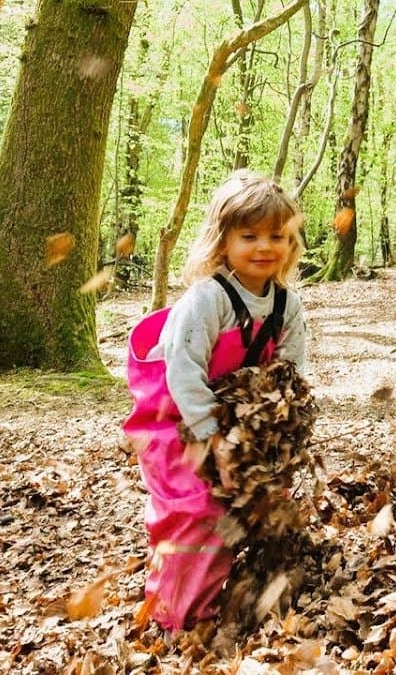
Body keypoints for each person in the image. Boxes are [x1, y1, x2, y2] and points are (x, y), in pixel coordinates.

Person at [123, 171, 307, 631]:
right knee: (197, 511)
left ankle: (256, 594)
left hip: (245, 422)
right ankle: (179, 618)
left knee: (267, 499)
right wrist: (212, 440)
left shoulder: (287, 305)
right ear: (222, 241)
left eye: (276, 236)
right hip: (178, 420)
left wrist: (277, 437)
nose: (264, 247)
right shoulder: (207, 300)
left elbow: (290, 374)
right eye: (249, 236)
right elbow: (182, 373)